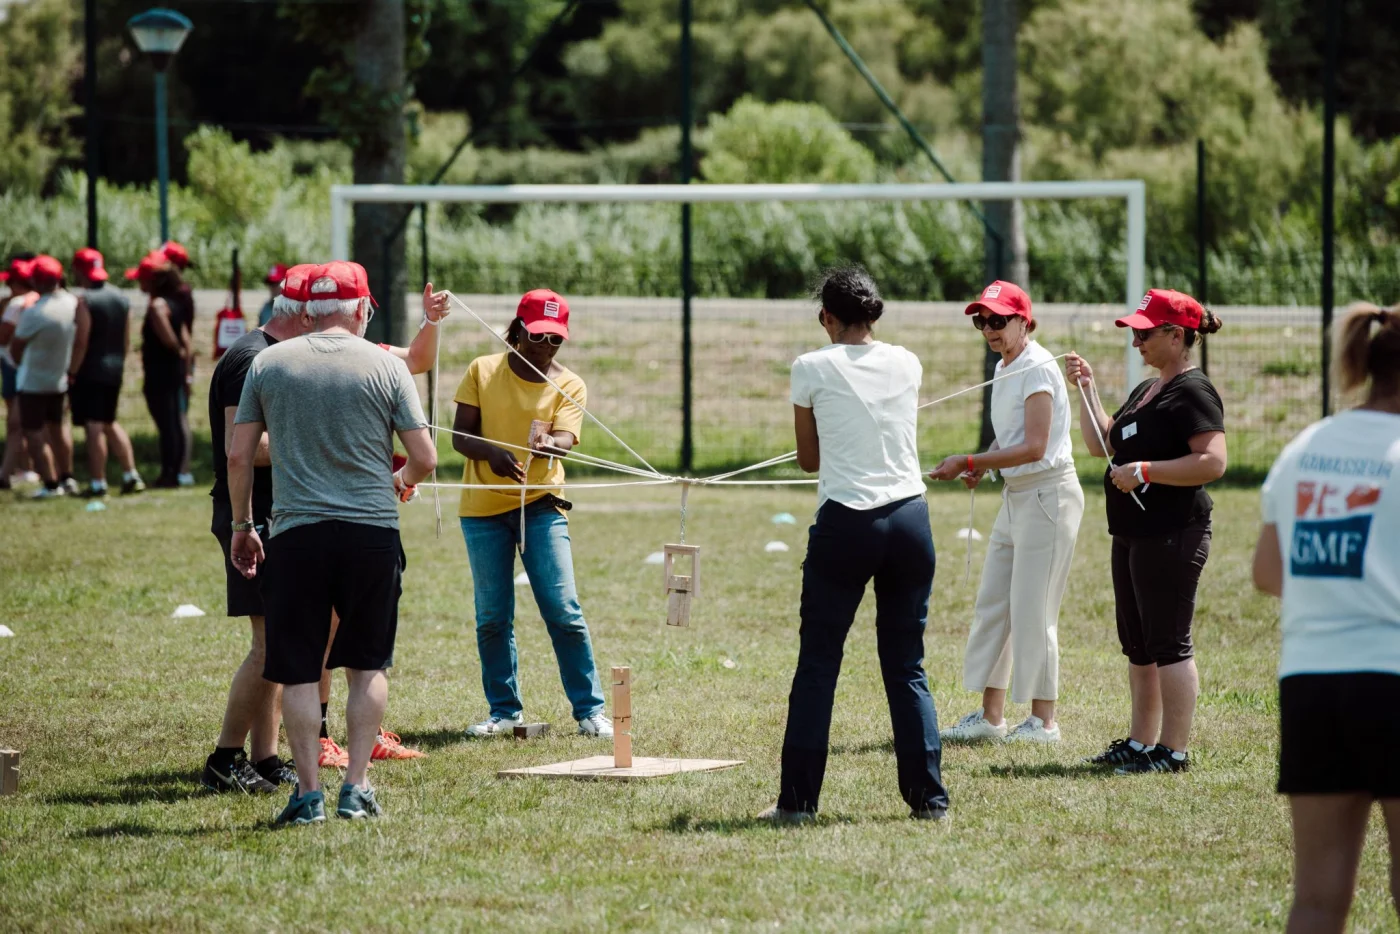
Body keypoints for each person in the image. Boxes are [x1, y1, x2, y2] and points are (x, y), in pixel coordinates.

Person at [228, 260, 436, 825]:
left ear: (306, 310)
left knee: (297, 670)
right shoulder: (384, 367)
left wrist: (243, 526)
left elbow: (238, 454)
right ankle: (357, 788)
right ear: (362, 308)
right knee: (366, 667)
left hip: (295, 534)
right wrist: (400, 483)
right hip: (371, 533)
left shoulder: (267, 363)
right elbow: (425, 459)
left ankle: (308, 796)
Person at [760, 265, 950, 823]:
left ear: (827, 317)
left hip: (847, 524)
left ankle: (797, 804)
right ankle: (930, 802)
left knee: (818, 663)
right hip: (912, 521)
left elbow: (809, 459)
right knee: (906, 665)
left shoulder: (809, 366)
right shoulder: (908, 361)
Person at [1252, 303, 1400, 934]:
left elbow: (1267, 572)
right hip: (1392, 678)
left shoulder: (1304, 447)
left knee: (1316, 901)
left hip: (1311, 685)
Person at [1066, 289, 1226, 774]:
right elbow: (1103, 445)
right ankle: (1140, 743)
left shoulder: (1192, 390)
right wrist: (1087, 390)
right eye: (1133, 332)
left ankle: (1172, 752)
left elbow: (1213, 461)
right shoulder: (1146, 389)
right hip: (1133, 531)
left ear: (1176, 336)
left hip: (1173, 532)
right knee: (1138, 642)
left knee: (1168, 641)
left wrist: (1147, 472)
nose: (1136, 341)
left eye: (1144, 332)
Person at [449, 288, 611, 739]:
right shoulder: (482, 370)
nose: (546, 347)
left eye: (556, 339)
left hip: (541, 507)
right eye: (538, 336)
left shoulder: (570, 384)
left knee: (563, 609)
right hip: (482, 510)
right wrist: (494, 454)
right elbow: (460, 437)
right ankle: (504, 712)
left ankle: (590, 711)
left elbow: (565, 439)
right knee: (493, 616)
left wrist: (549, 445)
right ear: (518, 329)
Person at [929, 281, 1083, 744]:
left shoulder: (1037, 367)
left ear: (1023, 321)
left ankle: (1043, 721)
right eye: (982, 321)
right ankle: (990, 718)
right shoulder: (1004, 365)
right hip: (1016, 496)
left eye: (998, 320)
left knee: (1034, 609)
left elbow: (1037, 445)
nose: (989, 329)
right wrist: (986, 461)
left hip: (1048, 496)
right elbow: (1014, 435)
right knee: (994, 602)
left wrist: (970, 462)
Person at [201, 264, 319, 795]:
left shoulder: (276, 355)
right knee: (269, 642)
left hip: (275, 513)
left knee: (279, 638)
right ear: (302, 314)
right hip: (250, 514)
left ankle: (265, 758)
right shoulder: (250, 358)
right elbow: (242, 448)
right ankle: (225, 759)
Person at [69, 248, 145, 497]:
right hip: (114, 369)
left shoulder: (85, 300)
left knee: (93, 426)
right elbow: (125, 339)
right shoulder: (121, 298)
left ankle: (97, 482)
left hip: (91, 370)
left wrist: (72, 371)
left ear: (80, 271)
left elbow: (81, 340)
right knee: (109, 422)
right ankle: (130, 474)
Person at [10, 255, 81, 500]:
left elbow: (15, 348)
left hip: (33, 382)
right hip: (60, 379)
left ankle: (51, 483)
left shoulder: (34, 313)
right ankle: (68, 477)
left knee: (35, 433)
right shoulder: (72, 303)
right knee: (60, 428)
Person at [127, 251, 192, 488]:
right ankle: (174, 471)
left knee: (167, 424)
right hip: (173, 372)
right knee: (173, 421)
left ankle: (168, 474)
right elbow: (186, 342)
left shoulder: (157, 306)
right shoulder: (175, 302)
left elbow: (172, 341)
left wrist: (175, 351)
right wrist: (184, 365)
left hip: (160, 373)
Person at [157, 240, 197, 486]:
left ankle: (184, 469)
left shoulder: (180, 295)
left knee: (181, 416)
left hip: (182, 361)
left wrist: (188, 373)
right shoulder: (179, 293)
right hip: (182, 360)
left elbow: (186, 338)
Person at [1, 255, 37, 490]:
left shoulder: (16, 305)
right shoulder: (35, 300)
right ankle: (24, 467)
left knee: (17, 422)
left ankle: (23, 468)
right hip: (22, 366)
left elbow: (3, 337)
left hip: (15, 367)